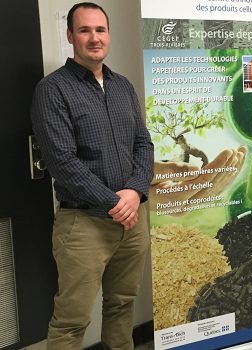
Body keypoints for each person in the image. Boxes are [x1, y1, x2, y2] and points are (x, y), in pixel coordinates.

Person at [30, 2, 154, 349]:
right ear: (70, 36)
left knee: (121, 305)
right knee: (71, 321)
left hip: (131, 220)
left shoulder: (123, 87)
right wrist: (116, 202)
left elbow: (143, 144)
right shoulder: (52, 90)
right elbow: (63, 163)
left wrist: (135, 191)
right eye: (84, 30)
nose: (94, 38)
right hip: (84, 224)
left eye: (100, 30)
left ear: (108, 35)